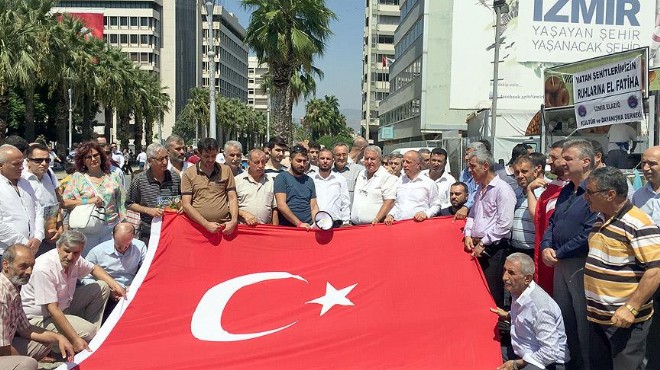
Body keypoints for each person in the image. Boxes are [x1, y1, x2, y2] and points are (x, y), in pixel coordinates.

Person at [583, 167, 660, 370]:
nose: (585, 197)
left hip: (625, 322)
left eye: (590, 192)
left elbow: (655, 271)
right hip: (598, 318)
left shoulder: (639, 223)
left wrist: (630, 308)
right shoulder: (601, 218)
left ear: (610, 195)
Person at [540, 139, 597, 370]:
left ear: (585, 162)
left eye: (568, 158)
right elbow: (552, 222)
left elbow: (589, 231)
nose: (562, 163)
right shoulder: (566, 190)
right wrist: (546, 246)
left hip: (579, 264)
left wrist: (559, 252)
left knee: (583, 323)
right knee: (565, 318)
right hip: (560, 263)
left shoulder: (594, 191)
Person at [21, 230, 126, 353]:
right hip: (40, 318)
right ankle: (71, 342)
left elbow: (94, 268)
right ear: (58, 247)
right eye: (67, 251)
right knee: (89, 331)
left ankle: (88, 338)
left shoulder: (75, 259)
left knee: (102, 287)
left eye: (76, 253)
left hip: (64, 306)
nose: (71, 257)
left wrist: (116, 286)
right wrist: (75, 338)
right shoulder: (44, 268)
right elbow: (52, 310)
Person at [490, 253, 570, 370]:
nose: (504, 277)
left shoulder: (540, 307)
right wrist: (508, 315)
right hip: (523, 354)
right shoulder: (518, 290)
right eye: (504, 270)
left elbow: (550, 352)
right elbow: (528, 320)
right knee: (490, 353)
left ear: (527, 278)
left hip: (548, 363)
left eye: (511, 273)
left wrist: (516, 364)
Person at [1, 245, 74, 367]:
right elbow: (2, 349)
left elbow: (26, 329)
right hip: (2, 349)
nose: (29, 271)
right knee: (28, 364)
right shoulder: (2, 296)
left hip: (7, 344)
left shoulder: (13, 288)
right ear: (6, 265)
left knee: (45, 343)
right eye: (23, 266)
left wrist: (59, 337)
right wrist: (22, 363)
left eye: (32, 266)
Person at [463, 149, 516, 308]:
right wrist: (467, 234)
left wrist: (483, 243)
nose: (470, 171)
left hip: (493, 249)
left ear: (485, 166)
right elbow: (472, 215)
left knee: (492, 292)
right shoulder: (479, 189)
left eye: (473, 167)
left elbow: (504, 224)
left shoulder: (503, 189)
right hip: (477, 245)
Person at [61, 141, 124, 254]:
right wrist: (88, 201)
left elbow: (121, 203)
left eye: (96, 155)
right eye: (88, 157)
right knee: (89, 263)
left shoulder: (113, 176)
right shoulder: (77, 178)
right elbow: (65, 202)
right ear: (83, 161)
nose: (93, 159)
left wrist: (123, 225)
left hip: (110, 228)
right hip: (88, 227)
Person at [632, 145, 660, 369]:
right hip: (647, 271)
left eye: (653, 163)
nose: (647, 168)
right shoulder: (638, 196)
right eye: (644, 163)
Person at [82, 223, 146, 320]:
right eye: (119, 246)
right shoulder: (98, 252)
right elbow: (85, 276)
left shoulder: (140, 247)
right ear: (113, 237)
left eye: (127, 245)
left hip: (131, 291)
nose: (123, 249)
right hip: (107, 293)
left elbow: (148, 269)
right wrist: (106, 290)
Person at [529, 140, 568, 295]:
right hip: (547, 253)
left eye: (554, 157)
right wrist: (529, 191)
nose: (549, 161)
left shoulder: (577, 189)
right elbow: (537, 218)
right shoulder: (551, 188)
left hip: (564, 257)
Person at [126, 143, 182, 244]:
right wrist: (148, 210)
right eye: (160, 159)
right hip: (149, 232)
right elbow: (129, 203)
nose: (165, 162)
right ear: (150, 161)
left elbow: (181, 200)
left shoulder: (175, 177)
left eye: (166, 158)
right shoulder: (139, 180)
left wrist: (180, 206)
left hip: (171, 230)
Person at [181, 138, 238, 236]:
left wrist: (233, 221)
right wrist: (206, 224)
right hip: (198, 228)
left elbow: (232, 198)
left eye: (213, 156)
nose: (210, 160)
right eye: (206, 156)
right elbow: (186, 205)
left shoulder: (226, 170)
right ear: (198, 154)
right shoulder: (188, 173)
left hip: (224, 227)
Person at [0, 144, 44, 255]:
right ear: (1, 166)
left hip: (32, 249)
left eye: (21, 163)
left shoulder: (25, 183)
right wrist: (24, 242)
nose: (21, 167)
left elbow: (37, 209)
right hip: (7, 252)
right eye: (16, 164)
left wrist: (38, 236)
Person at [22, 143, 63, 255]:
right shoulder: (21, 180)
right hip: (32, 240)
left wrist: (59, 229)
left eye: (47, 160)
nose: (44, 164)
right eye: (38, 160)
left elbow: (56, 205)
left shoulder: (49, 175)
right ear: (28, 161)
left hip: (52, 237)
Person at [385, 151, 441, 224]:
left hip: (418, 225)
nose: (404, 165)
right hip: (399, 225)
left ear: (418, 165)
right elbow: (398, 204)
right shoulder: (399, 181)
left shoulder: (429, 183)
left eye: (408, 162)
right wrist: (390, 214)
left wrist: (426, 214)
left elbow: (436, 205)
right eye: (403, 162)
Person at [274, 145, 318, 229]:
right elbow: (281, 205)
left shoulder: (309, 180)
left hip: (308, 227)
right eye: (298, 161)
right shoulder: (282, 178)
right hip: (289, 228)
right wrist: (299, 223)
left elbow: (314, 206)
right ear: (290, 160)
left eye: (304, 161)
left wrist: (316, 224)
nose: (302, 164)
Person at [350, 145, 397, 225]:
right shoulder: (361, 174)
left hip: (374, 226)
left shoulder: (387, 177)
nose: (369, 162)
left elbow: (389, 202)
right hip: (355, 226)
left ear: (379, 159)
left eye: (372, 159)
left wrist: (377, 219)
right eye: (366, 158)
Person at [510, 155, 545, 257]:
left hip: (533, 250)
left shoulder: (543, 195)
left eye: (524, 171)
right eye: (517, 172)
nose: (520, 175)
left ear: (535, 172)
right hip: (514, 249)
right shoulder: (515, 194)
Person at [236, 149, 277, 225]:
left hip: (265, 229)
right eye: (257, 162)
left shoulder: (270, 180)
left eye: (263, 162)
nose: (260, 166)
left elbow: (274, 208)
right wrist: (244, 214)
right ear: (249, 163)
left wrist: (275, 230)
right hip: (244, 229)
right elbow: (229, 207)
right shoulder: (237, 181)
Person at [312, 149, 350, 227]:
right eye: (322, 158)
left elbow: (345, 202)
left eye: (328, 159)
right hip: (315, 223)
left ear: (333, 161)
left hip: (335, 223)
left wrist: (346, 222)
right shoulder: (310, 179)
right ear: (317, 160)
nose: (325, 161)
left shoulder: (340, 179)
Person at [457, 141, 488, 220]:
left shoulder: (485, 171)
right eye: (466, 154)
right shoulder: (463, 173)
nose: (466, 158)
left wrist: (466, 206)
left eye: (469, 154)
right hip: (463, 212)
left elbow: (478, 191)